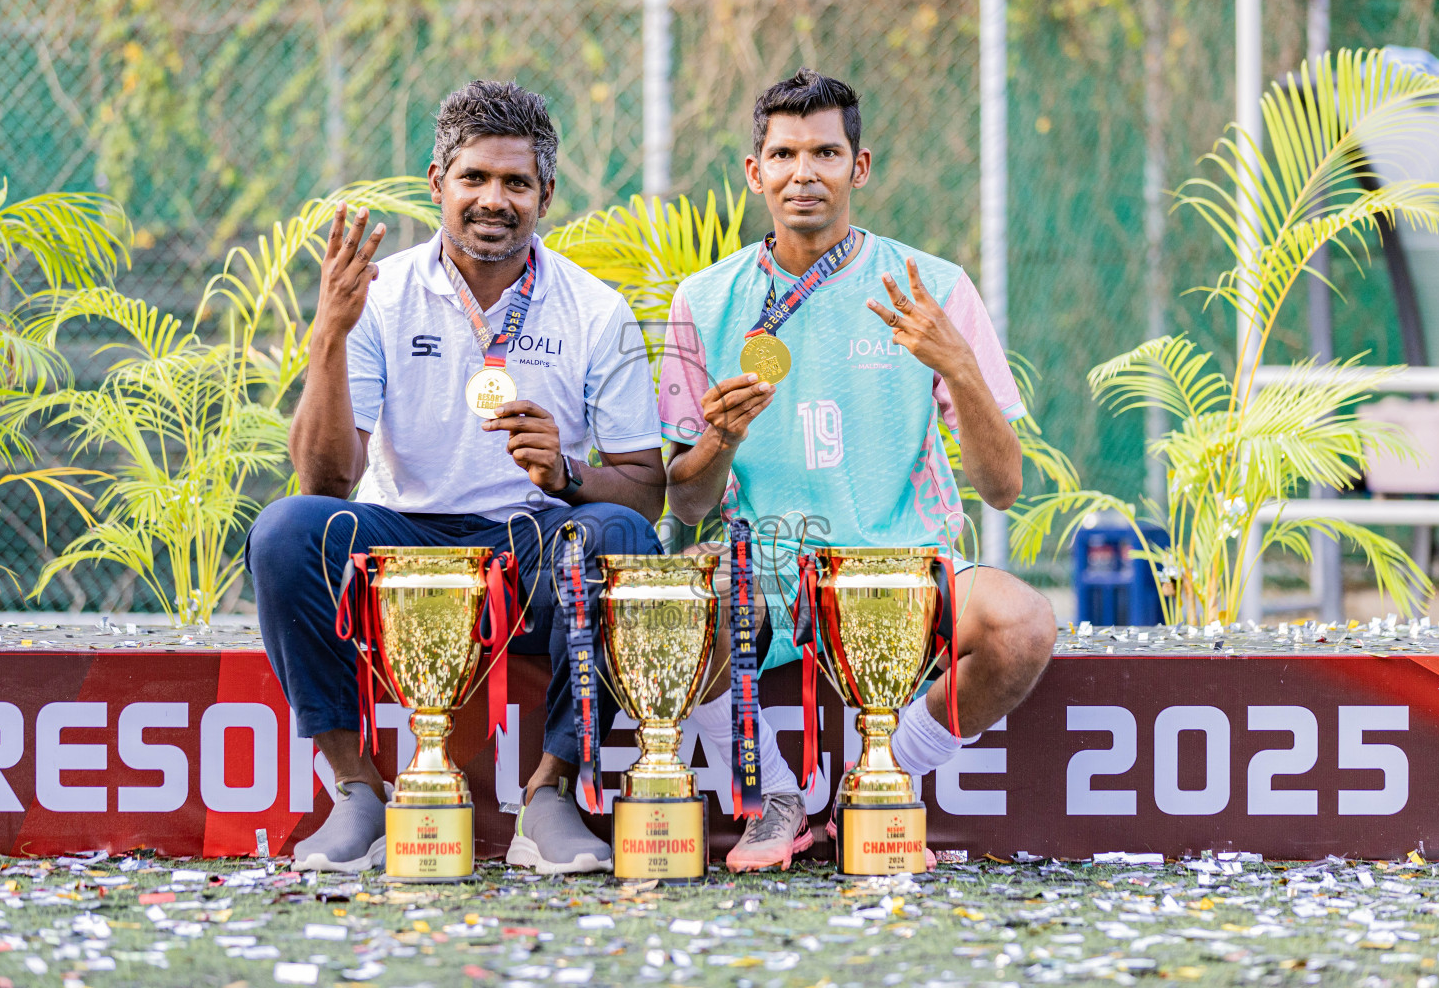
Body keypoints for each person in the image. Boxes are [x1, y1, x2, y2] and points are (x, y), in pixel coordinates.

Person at [248, 80, 665, 875]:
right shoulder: (379, 296)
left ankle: (550, 797)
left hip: (530, 546)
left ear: (547, 194)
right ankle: (358, 794)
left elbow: (647, 489)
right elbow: (325, 481)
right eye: (474, 178)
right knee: (285, 533)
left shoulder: (595, 309)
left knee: (625, 539)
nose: (493, 200)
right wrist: (328, 338)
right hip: (401, 543)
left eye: (515, 183)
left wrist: (569, 471)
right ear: (438, 184)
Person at [659, 69, 1057, 872]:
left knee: (1022, 625)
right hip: (767, 568)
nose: (803, 172)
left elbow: (1003, 486)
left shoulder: (932, 289)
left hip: (906, 564)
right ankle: (776, 799)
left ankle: (883, 777)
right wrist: (722, 441)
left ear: (859, 166)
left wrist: (961, 369)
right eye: (783, 154)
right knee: (676, 609)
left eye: (825, 153)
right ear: (755, 171)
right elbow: (689, 498)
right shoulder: (703, 300)